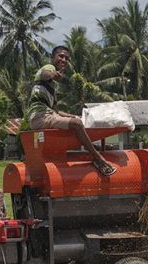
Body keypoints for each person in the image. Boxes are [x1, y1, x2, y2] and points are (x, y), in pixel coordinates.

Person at [29, 45, 116, 176]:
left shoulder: (52, 88)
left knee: (76, 121)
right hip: (40, 117)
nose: (63, 60)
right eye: (61, 56)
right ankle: (98, 159)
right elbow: (46, 74)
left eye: (66, 58)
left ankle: (93, 148)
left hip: (49, 115)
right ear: (53, 57)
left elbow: (57, 112)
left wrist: (75, 116)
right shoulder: (48, 69)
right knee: (77, 125)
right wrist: (54, 74)